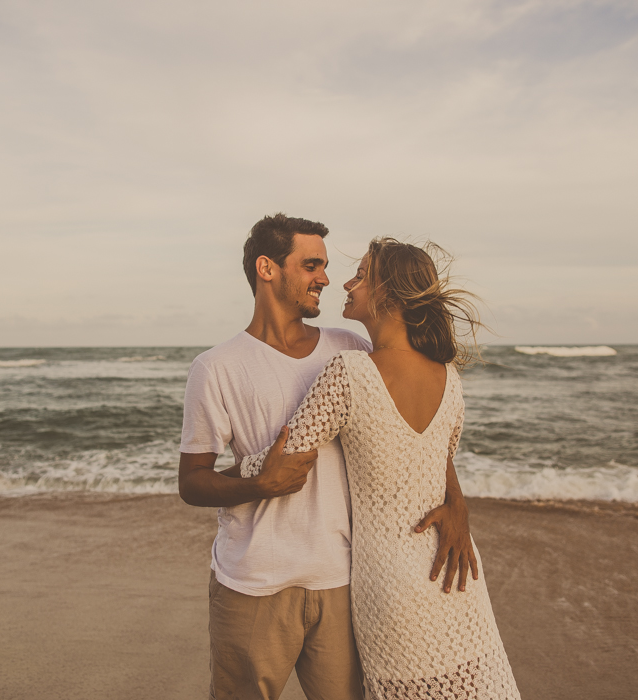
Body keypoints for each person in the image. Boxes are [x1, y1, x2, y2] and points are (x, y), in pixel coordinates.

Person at [179, 215, 478, 700]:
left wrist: (457, 501)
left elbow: (415, 437)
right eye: (311, 265)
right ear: (267, 269)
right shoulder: (216, 368)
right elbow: (192, 481)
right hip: (253, 582)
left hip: (343, 581)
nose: (325, 277)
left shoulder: (352, 350)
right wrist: (257, 484)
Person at [239, 237, 521, 699]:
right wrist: (459, 506)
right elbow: (438, 461)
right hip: (454, 572)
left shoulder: (350, 373)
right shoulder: (449, 377)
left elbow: (287, 457)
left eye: (362, 275)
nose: (347, 283)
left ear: (388, 293)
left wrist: (223, 472)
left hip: (392, 587)